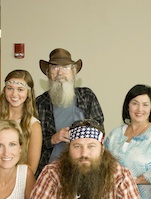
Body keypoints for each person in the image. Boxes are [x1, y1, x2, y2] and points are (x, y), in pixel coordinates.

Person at [23, 119, 146, 199]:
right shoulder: (52, 173)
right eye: (77, 146)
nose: (84, 154)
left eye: (91, 146)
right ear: (68, 148)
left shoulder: (120, 176)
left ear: (102, 149)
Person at [35, 48, 104, 176]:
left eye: (65, 67)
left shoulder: (87, 96)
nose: (60, 72)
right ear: (48, 73)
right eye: (54, 68)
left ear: (73, 72)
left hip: (85, 170)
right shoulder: (39, 103)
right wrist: (53, 139)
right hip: (51, 171)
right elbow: (32, 144)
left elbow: (100, 131)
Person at [0, 70, 42, 174]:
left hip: (17, 180)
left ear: (28, 93)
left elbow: (31, 167)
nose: (14, 94)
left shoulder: (33, 125)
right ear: (4, 90)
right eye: (10, 89)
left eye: (20, 89)